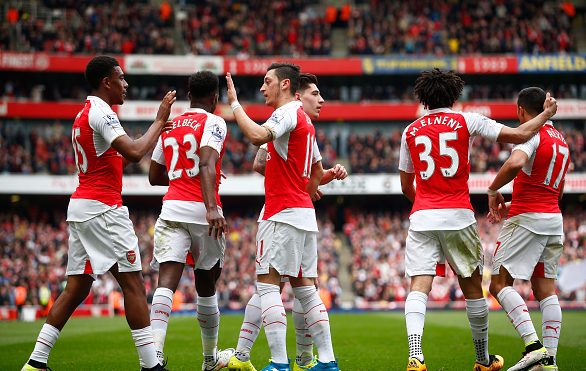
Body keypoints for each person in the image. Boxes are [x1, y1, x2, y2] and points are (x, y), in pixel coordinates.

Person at [21, 55, 176, 371]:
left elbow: (125, 159)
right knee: (134, 285)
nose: (126, 84)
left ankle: (36, 362)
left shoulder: (84, 114)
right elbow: (133, 151)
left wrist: (155, 131)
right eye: (121, 78)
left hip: (82, 208)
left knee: (77, 287)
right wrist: (159, 121)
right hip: (103, 208)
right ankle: (151, 366)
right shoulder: (102, 112)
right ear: (107, 82)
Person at [398, 68, 557, 371]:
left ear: (423, 97)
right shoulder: (466, 119)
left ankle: (416, 356)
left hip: (422, 217)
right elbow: (521, 133)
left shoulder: (410, 130)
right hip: (458, 215)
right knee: (473, 289)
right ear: (455, 95)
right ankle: (483, 360)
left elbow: (406, 186)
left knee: (419, 286)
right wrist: (546, 114)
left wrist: (425, 204)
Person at [228, 73, 347, 371]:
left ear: (284, 85)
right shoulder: (306, 123)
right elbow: (316, 172)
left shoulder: (286, 112)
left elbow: (257, 138)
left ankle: (279, 363)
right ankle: (327, 361)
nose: (261, 87)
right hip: (304, 212)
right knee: (305, 289)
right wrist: (302, 184)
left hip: (280, 213)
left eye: (267, 81)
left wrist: (234, 105)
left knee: (268, 288)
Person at [148, 70, 234, 371]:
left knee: (165, 283)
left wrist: (183, 174)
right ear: (214, 99)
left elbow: (154, 176)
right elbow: (208, 162)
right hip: (202, 212)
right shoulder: (214, 121)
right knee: (207, 285)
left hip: (171, 210)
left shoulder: (169, 125)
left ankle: (153, 356)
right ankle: (210, 360)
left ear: (188, 96)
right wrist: (212, 206)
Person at [487, 87, 568, 371]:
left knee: (498, 284)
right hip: (553, 220)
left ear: (521, 110)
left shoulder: (531, 133)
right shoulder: (562, 141)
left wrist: (493, 189)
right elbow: (554, 191)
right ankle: (549, 363)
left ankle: (534, 346)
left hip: (528, 219)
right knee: (545, 291)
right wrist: (513, 203)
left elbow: (516, 162)